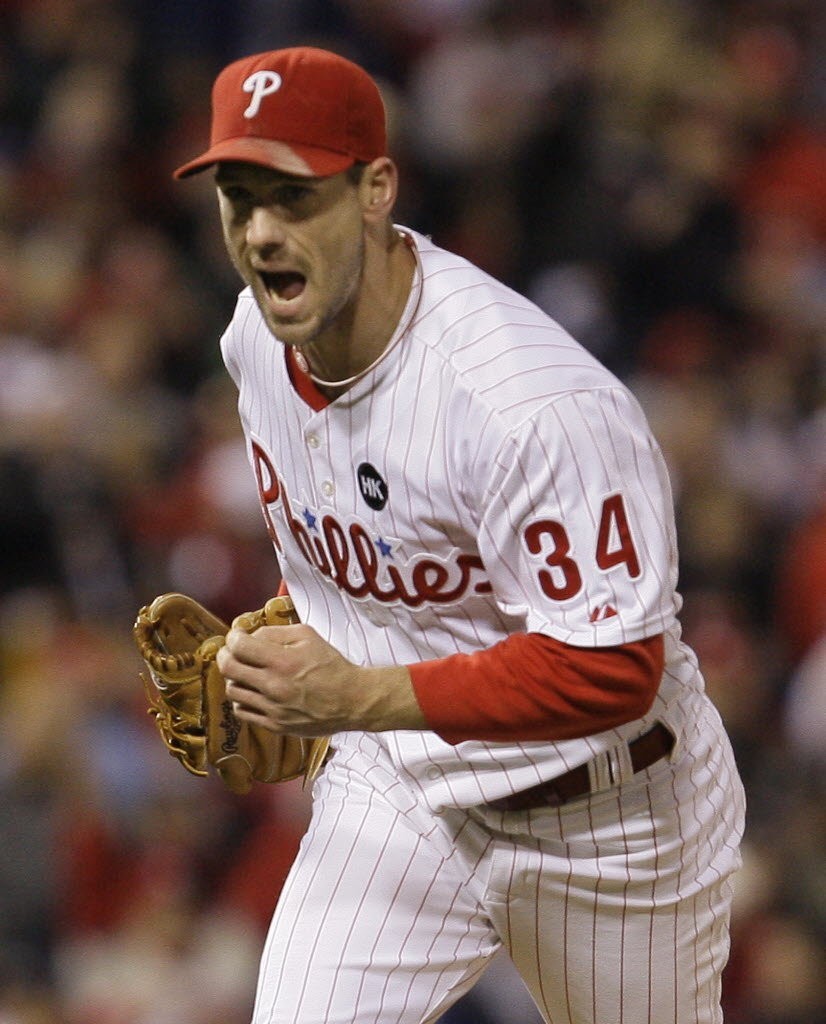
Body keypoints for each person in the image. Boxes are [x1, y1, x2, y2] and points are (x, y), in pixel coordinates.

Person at [173, 46, 746, 1024]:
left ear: (375, 190)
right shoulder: (254, 340)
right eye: (240, 199)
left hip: (609, 817)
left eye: (294, 197)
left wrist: (353, 693)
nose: (261, 233)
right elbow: (347, 546)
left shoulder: (529, 404)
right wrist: (284, 649)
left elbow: (613, 667)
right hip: (397, 787)